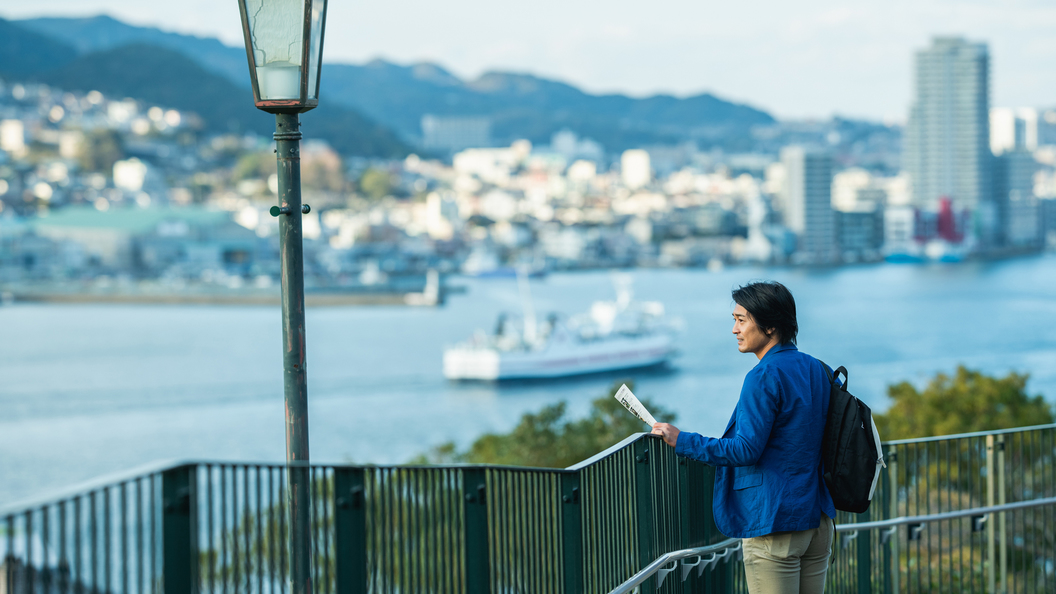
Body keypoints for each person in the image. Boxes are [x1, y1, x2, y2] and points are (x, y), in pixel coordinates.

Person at [651, 281, 836, 594]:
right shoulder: (818, 369)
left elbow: (745, 449)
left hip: (776, 525)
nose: (735, 329)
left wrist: (682, 440)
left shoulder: (763, 376)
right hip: (818, 520)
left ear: (770, 326)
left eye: (741, 320)